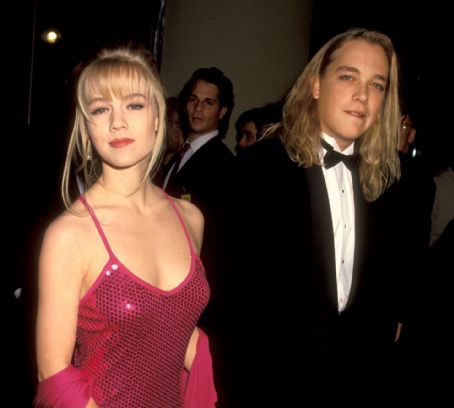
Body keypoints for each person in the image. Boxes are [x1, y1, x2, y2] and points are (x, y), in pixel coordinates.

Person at [222, 28, 407, 406]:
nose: (362, 95)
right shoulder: (258, 171)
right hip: (271, 389)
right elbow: (232, 307)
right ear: (317, 84)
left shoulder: (388, 182)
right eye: (348, 76)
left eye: (377, 85)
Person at [34, 46, 217, 408]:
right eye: (101, 109)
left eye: (133, 105)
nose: (117, 122)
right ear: (87, 129)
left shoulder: (190, 219)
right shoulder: (70, 234)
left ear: (158, 117)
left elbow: (178, 329)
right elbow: (53, 374)